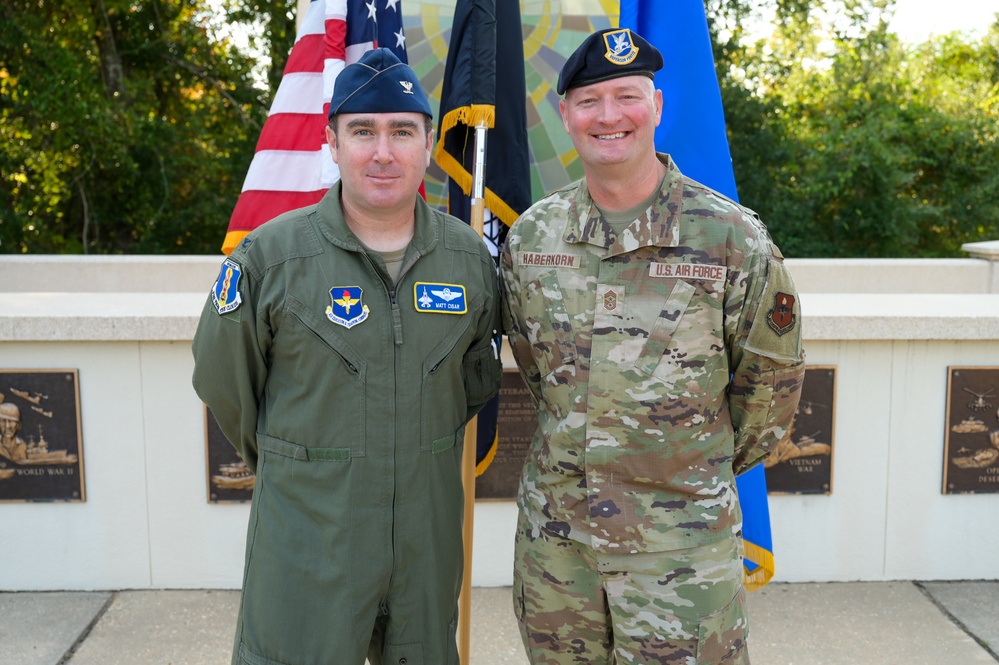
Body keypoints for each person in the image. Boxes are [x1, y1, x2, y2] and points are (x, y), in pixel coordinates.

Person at [499, 28, 805, 664]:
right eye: (589, 101)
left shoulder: (730, 238)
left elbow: (768, 397)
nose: (609, 116)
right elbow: (539, 372)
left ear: (657, 106)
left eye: (626, 96)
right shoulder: (533, 237)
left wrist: (676, 477)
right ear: (566, 116)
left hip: (680, 554)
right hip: (560, 553)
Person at [192, 48, 502, 665]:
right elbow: (226, 381)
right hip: (311, 540)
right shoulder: (270, 259)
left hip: (425, 542)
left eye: (401, 132)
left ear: (429, 141)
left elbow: (473, 379)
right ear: (332, 141)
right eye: (362, 131)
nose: (382, 152)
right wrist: (305, 466)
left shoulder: (469, 260)